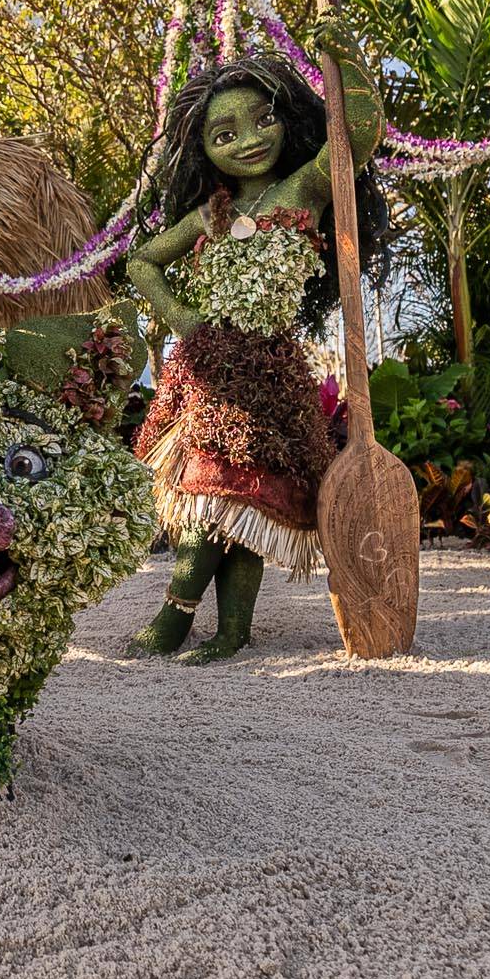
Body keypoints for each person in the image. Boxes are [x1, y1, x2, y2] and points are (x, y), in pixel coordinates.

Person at [120, 42, 385, 661]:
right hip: (208, 375)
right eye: (225, 132)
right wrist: (183, 318)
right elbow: (141, 262)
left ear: (287, 122)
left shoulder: (304, 188)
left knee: (245, 498)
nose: (248, 141)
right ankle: (212, 626)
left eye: (263, 120)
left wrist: (345, 57)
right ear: (205, 150)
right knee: (218, 494)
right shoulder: (210, 215)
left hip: (268, 375)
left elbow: (361, 133)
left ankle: (195, 620)